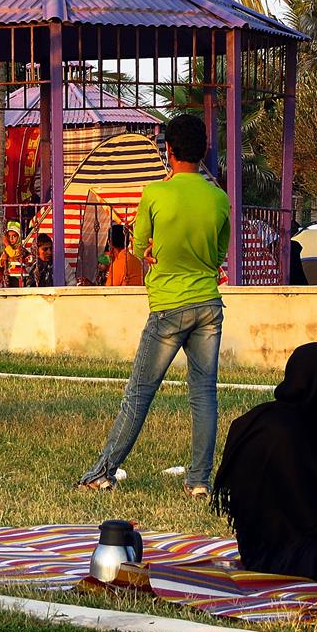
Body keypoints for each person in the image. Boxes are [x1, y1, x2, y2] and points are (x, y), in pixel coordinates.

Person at [77, 113, 230, 496]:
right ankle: (199, 481)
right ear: (203, 151)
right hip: (208, 304)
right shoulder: (219, 199)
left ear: (169, 151)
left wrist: (152, 252)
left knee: (139, 394)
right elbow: (218, 256)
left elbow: (139, 245)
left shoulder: (155, 194)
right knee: (204, 394)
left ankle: (102, 473)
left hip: (168, 306)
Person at [212, 343, 317, 581]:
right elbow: (312, 518)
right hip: (289, 558)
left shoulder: (255, 420)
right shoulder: (302, 437)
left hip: (252, 549)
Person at [0, 220, 27, 286]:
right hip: (9, 274)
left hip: (18, 276)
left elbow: (13, 254)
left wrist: (7, 244)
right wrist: (2, 260)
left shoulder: (20, 248)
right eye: (9, 236)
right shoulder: (7, 249)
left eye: (14, 236)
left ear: (19, 236)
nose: (11, 239)